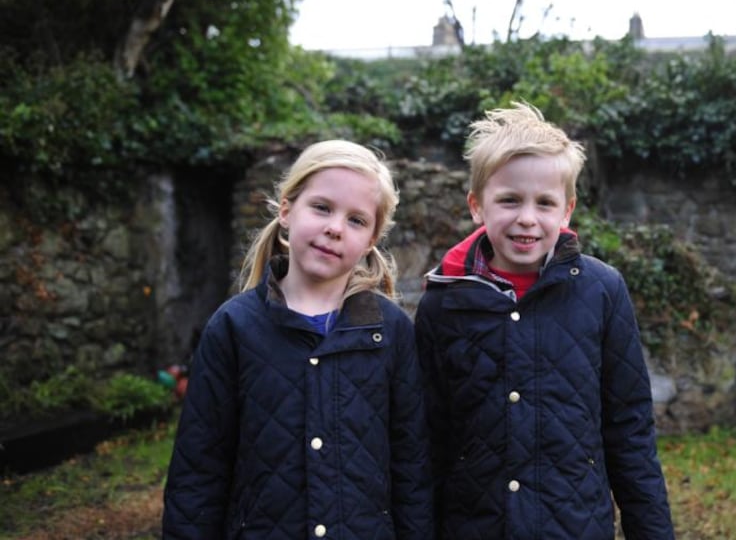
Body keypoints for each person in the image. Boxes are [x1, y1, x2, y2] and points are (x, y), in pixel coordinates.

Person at [415, 102, 676, 539]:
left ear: (567, 210)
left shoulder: (602, 291)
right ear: (478, 206)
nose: (527, 218)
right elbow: (426, 440)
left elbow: (629, 430)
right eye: (510, 200)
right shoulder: (443, 304)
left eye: (545, 203)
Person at [163, 140, 433, 539]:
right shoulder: (233, 328)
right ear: (287, 211)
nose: (334, 228)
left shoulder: (390, 331)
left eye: (356, 220)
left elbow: (412, 470)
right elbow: (198, 474)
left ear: (372, 239)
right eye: (322, 207)